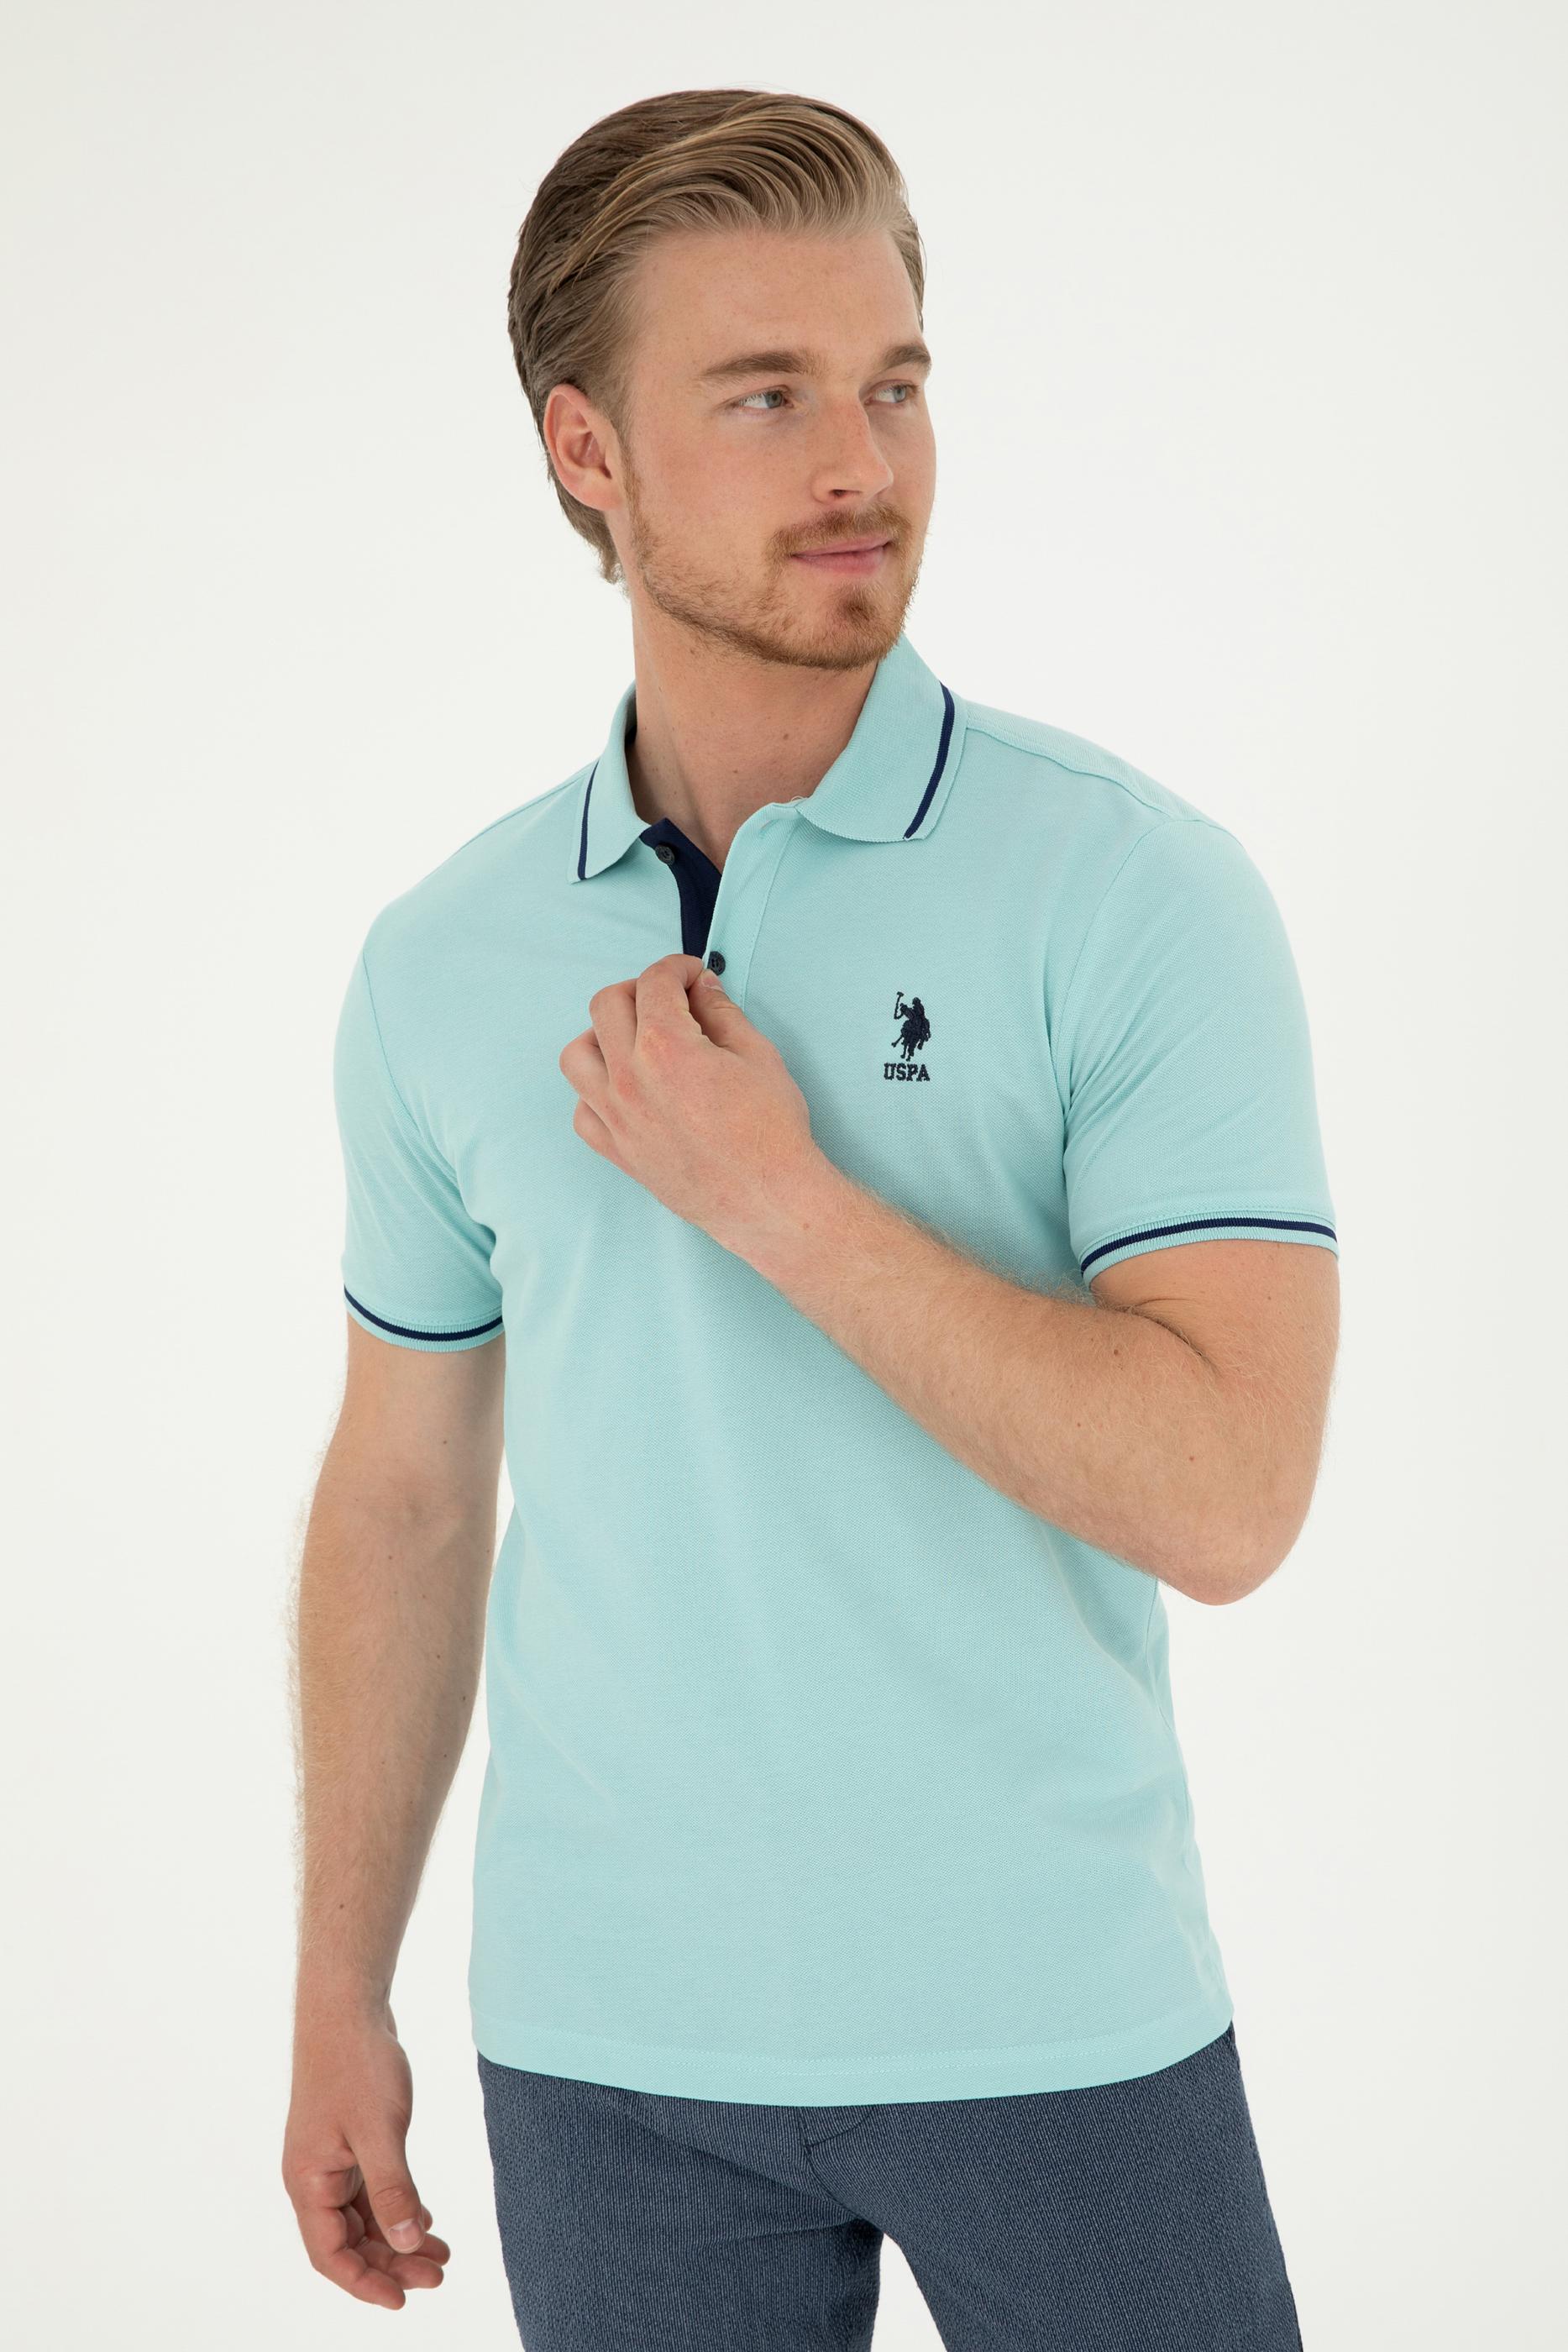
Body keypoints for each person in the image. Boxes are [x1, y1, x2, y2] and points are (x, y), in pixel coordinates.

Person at [282, 86, 1339, 2349]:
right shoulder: (439, 961)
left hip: (1054, 2014)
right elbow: (406, 1494)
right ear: (586, 452)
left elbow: (1232, 1497)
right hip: (605, 2053)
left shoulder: (1131, 890)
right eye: (764, 397)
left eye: (892, 386)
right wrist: (333, 1986)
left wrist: (790, 1205)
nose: (862, 462)